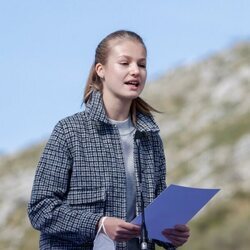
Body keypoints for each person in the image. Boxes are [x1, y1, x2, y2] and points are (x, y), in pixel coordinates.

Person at [28, 30, 190, 250]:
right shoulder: (69, 131)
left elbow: (153, 218)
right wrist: (99, 224)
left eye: (142, 65)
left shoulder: (150, 138)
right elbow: (40, 209)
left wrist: (170, 234)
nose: (135, 71)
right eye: (125, 63)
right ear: (101, 70)